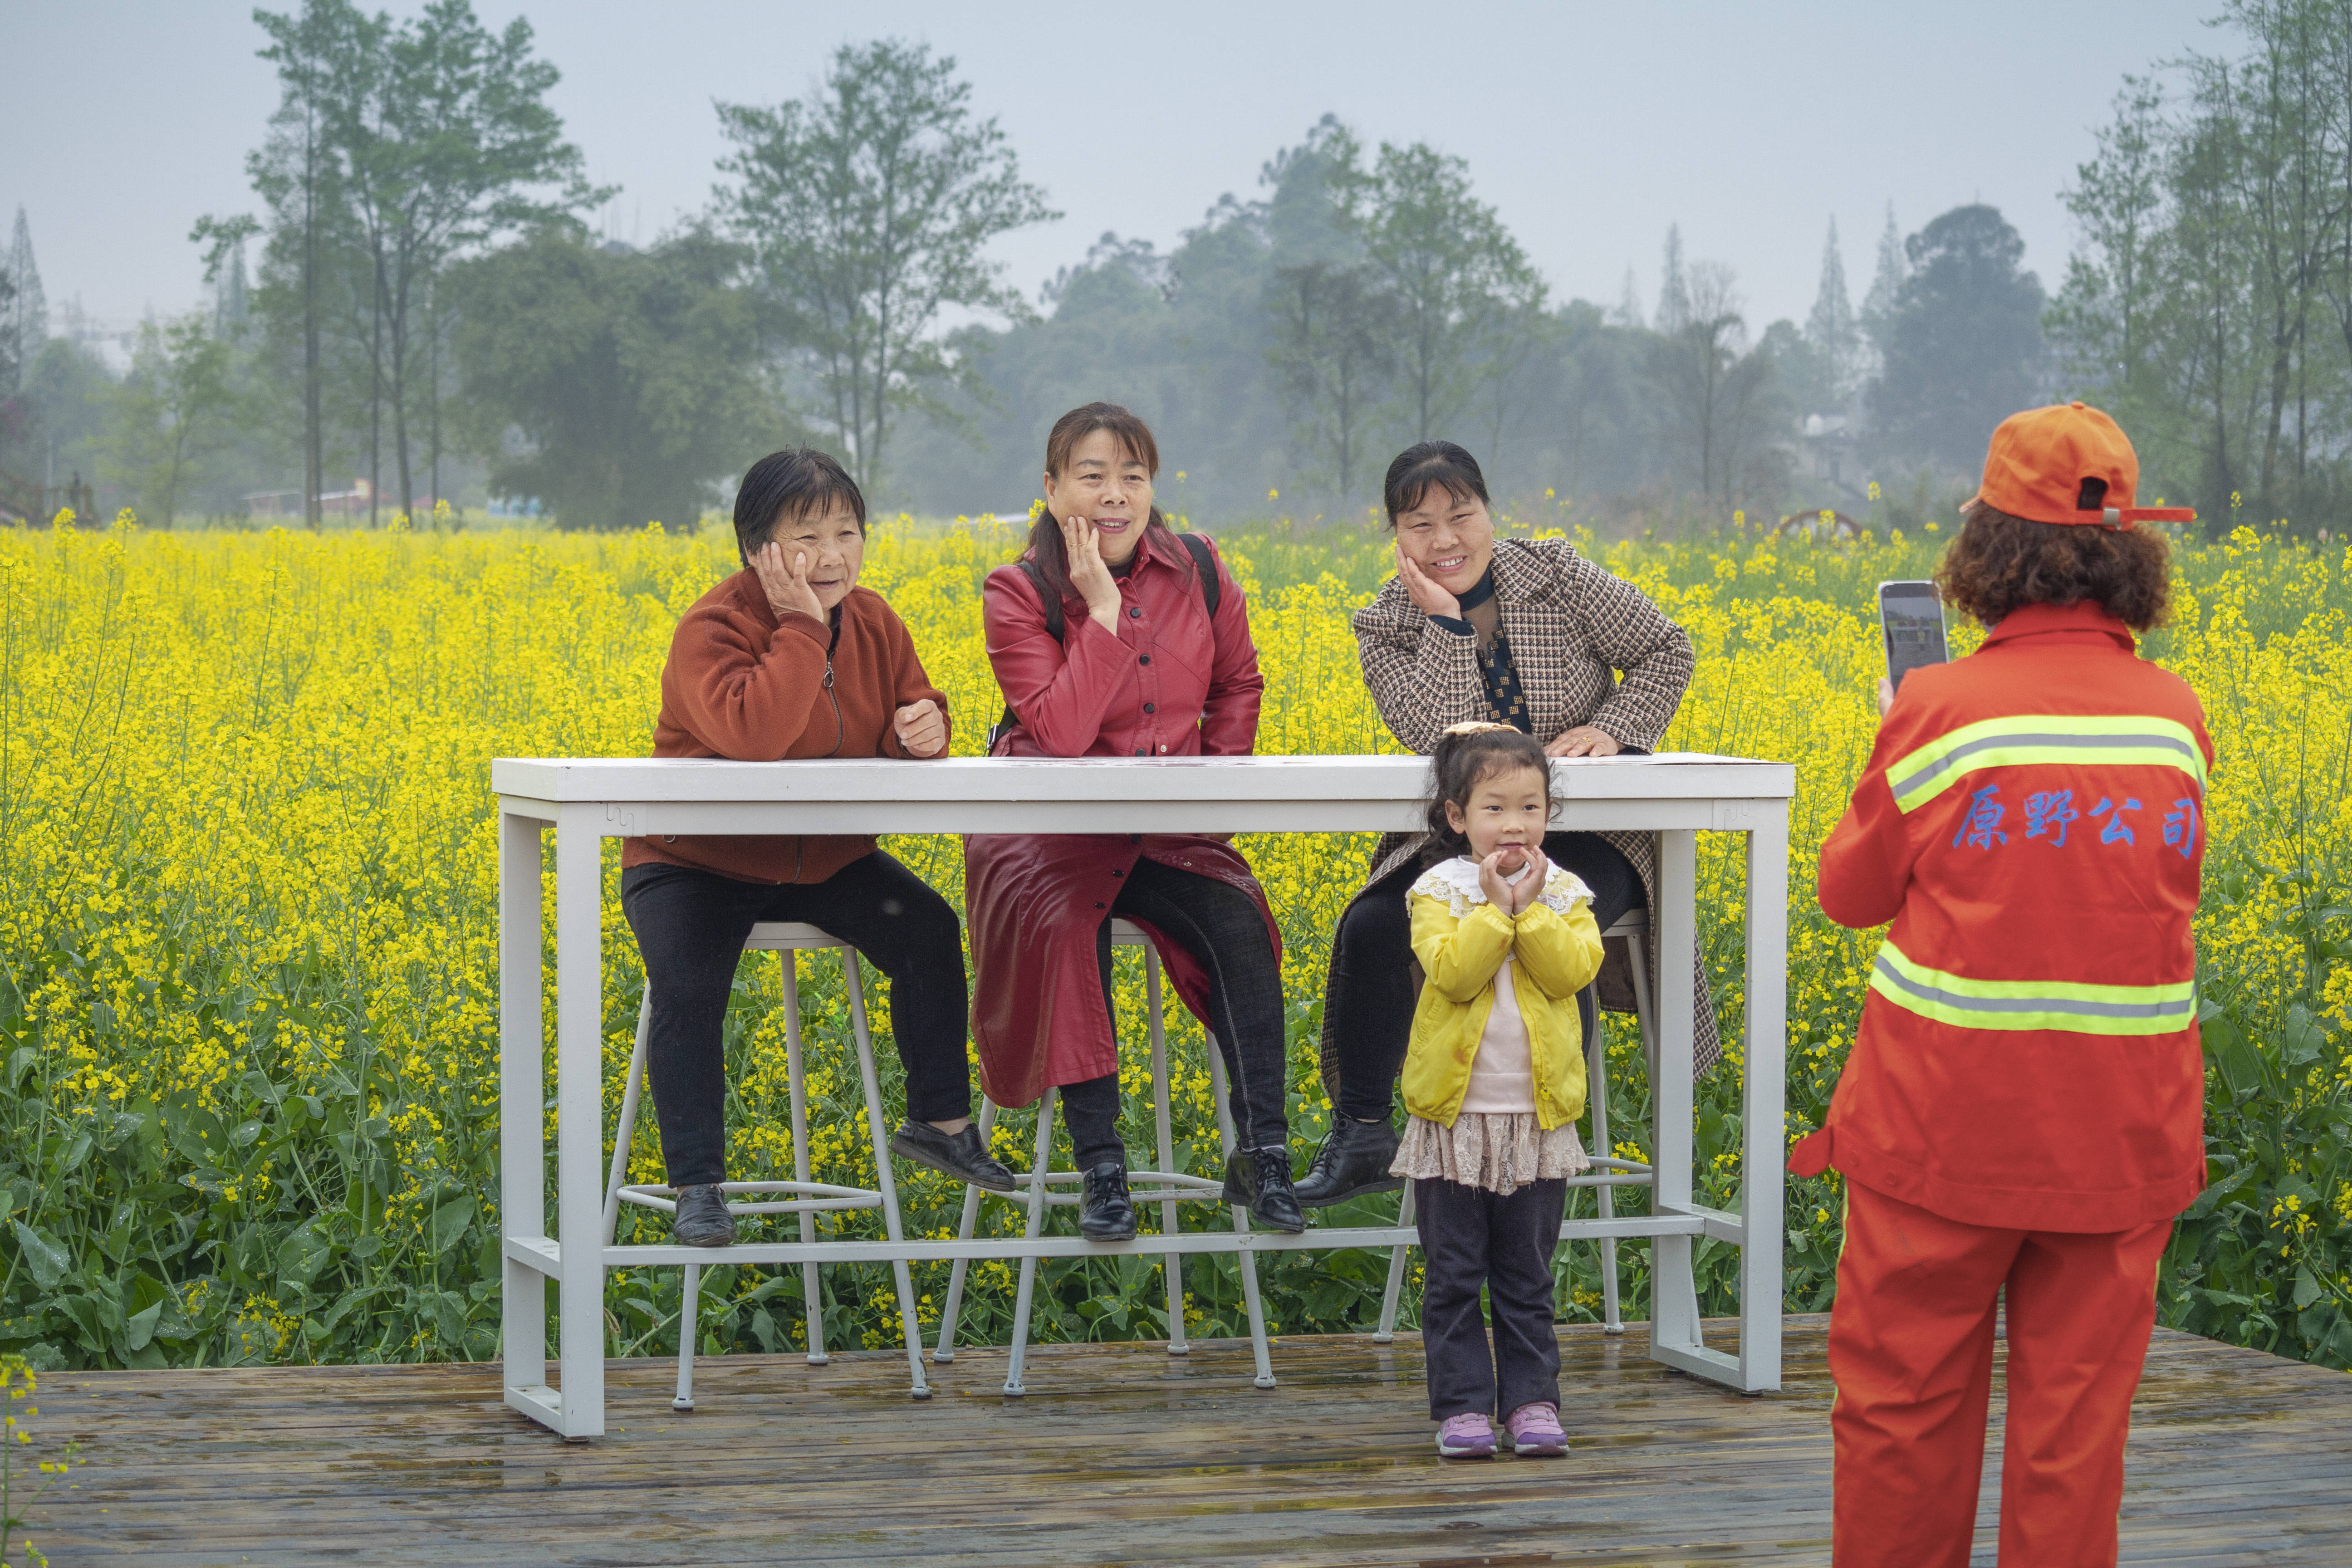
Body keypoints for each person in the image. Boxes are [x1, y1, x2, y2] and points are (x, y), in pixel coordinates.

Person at [1790, 402, 2208, 1566]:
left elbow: (1851, 891)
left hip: (1943, 1132)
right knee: (2077, 1437)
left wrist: (1894, 737)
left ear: (1989, 550)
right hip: (2121, 1136)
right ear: (2132, 552)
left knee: (1900, 1418)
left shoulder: (1939, 710)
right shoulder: (2177, 717)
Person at [1298, 440, 1710, 1207]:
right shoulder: (1387, 623)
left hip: (1592, 835)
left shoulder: (1557, 573)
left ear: (1490, 513)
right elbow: (1431, 729)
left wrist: (1614, 726)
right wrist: (1448, 628)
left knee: (1551, 911)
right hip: (1460, 837)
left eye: (1462, 515)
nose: (1446, 539)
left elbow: (1665, 647)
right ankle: (1361, 1129)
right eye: (1421, 524)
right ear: (1395, 536)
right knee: (1373, 922)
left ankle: (1549, 1129)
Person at [620, 448, 1014, 1248]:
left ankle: (939, 1120)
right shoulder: (713, 628)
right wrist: (800, 626)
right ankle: (697, 1185)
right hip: (694, 863)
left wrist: (923, 729)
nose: (832, 557)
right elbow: (757, 734)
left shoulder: (875, 622)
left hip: (822, 860)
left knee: (928, 929)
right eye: (806, 537)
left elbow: (909, 706)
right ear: (756, 550)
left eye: (848, 532)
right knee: (689, 988)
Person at [964, 402, 1303, 1240]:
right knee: (1064, 930)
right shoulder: (1017, 591)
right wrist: (1102, 612)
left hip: (1165, 827)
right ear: (1050, 490)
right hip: (1049, 832)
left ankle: (1266, 1155)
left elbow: (1237, 684)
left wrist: (1206, 795)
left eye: (1133, 477)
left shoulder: (1200, 569)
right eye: (1092, 477)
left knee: (1239, 922)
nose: (1115, 497)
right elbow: (1062, 735)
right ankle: (1102, 1169)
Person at [1394, 723, 1604, 1459]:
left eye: (1531, 807)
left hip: (1536, 1119)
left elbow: (1571, 973)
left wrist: (1532, 910)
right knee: (1453, 1273)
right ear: (1457, 816)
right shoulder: (1439, 892)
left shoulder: (1569, 893)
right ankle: (1461, 1409)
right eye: (1494, 809)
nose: (1514, 825)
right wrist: (1494, 910)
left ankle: (1533, 1403)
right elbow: (1452, 974)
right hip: (1455, 1120)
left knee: (1527, 1273)